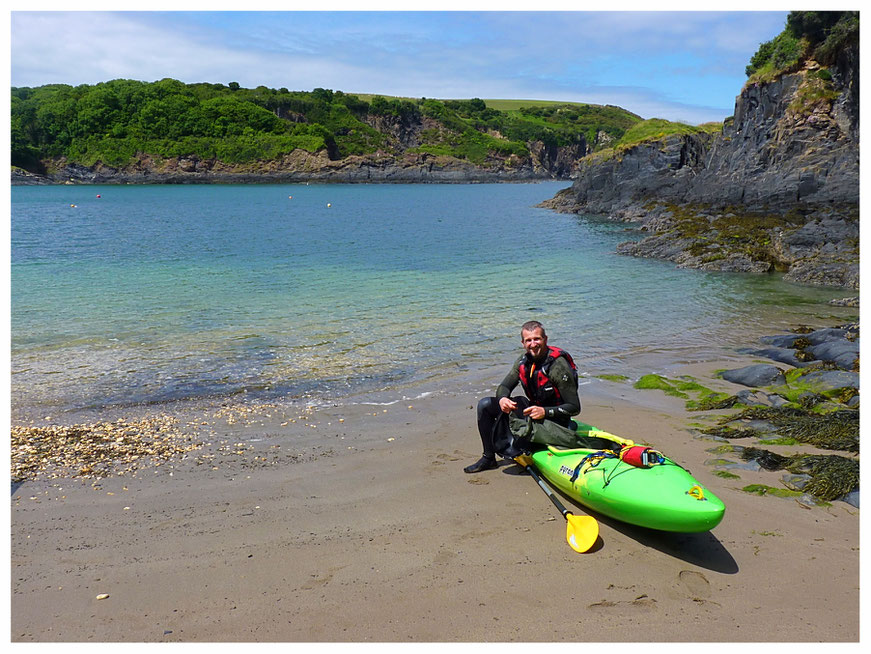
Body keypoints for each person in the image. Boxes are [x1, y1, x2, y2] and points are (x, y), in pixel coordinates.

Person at [464, 320, 581, 473]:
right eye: (528, 340)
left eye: (537, 339)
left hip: (555, 421)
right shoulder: (522, 362)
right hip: (533, 413)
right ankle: (488, 458)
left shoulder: (558, 366)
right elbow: (504, 387)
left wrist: (545, 412)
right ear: (523, 343)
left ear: (545, 339)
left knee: (520, 411)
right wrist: (503, 399)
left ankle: (526, 443)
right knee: (485, 405)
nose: (533, 344)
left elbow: (574, 407)